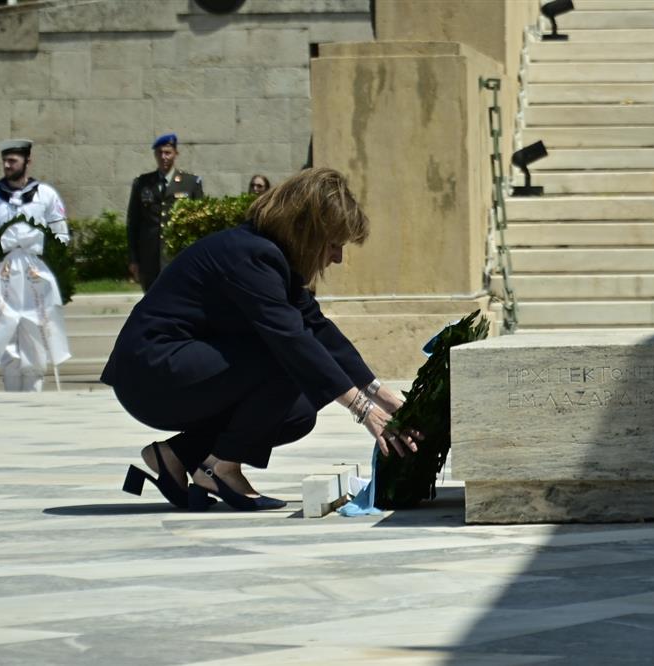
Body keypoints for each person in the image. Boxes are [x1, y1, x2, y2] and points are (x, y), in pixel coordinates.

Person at [102, 167, 421, 511]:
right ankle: (222, 468)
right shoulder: (251, 255)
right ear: (307, 231)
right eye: (333, 244)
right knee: (284, 355)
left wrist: (387, 400)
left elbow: (318, 329)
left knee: (297, 412)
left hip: (172, 372)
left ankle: (177, 455)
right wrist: (363, 412)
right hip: (151, 373)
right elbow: (291, 339)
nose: (337, 257)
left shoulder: (270, 258)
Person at [0, 138, 71, 392]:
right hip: (4, 277)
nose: (7, 165)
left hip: (35, 278)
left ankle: (34, 395)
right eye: (5, 160)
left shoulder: (46, 195)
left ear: (27, 161)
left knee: (35, 335)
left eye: (13, 160)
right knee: (7, 337)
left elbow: (61, 234)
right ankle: (11, 395)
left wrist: (50, 266)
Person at [127, 133, 203, 291]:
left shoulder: (190, 183)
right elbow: (133, 222)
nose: (163, 157)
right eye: (159, 153)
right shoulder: (142, 183)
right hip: (149, 257)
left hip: (179, 254)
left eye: (167, 152)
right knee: (150, 300)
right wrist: (134, 259)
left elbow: (199, 224)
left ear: (176, 154)